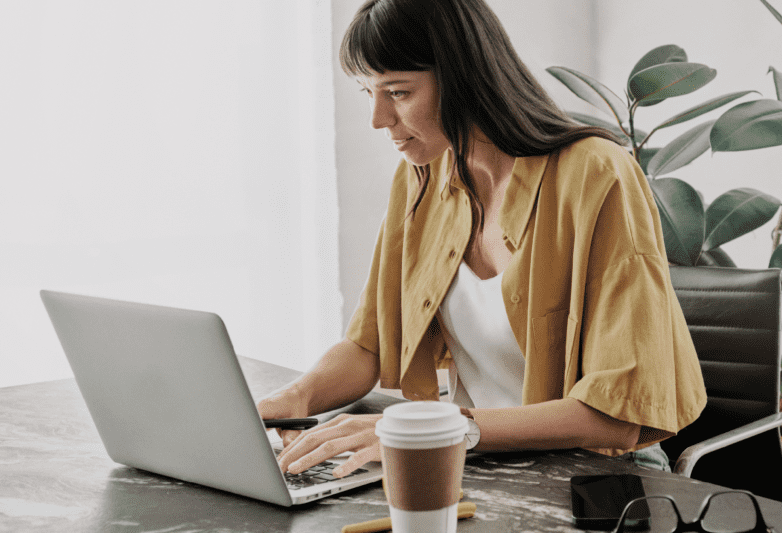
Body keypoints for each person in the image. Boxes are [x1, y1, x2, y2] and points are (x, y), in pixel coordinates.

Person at [257, 0, 706, 479]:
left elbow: (619, 417)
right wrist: (293, 399)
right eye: (368, 91)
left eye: (398, 92)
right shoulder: (422, 175)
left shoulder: (595, 173)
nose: (378, 118)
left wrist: (440, 428)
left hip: (601, 479)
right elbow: (371, 344)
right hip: (478, 461)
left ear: (463, 76)